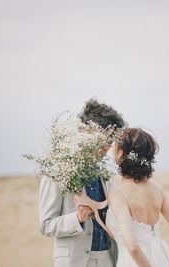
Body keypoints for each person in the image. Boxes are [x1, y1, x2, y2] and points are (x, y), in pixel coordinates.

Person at [38, 98, 126, 267]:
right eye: (102, 139)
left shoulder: (106, 173)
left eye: (110, 142)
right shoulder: (57, 169)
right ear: (84, 131)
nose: (106, 147)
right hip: (74, 261)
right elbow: (45, 225)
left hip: (109, 258)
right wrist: (77, 218)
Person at [106, 128, 169, 267]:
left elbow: (133, 247)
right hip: (162, 260)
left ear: (121, 153)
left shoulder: (118, 192)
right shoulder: (157, 188)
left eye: (115, 147)